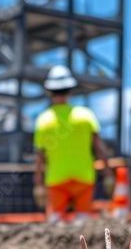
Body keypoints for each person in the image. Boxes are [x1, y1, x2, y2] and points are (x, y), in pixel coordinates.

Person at [33, 66, 113, 222]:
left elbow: (39, 158)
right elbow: (99, 148)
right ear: (70, 90)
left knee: (55, 222)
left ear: (50, 92)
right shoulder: (86, 116)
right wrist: (108, 175)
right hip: (84, 177)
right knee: (82, 223)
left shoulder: (43, 120)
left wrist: (38, 185)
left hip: (56, 179)